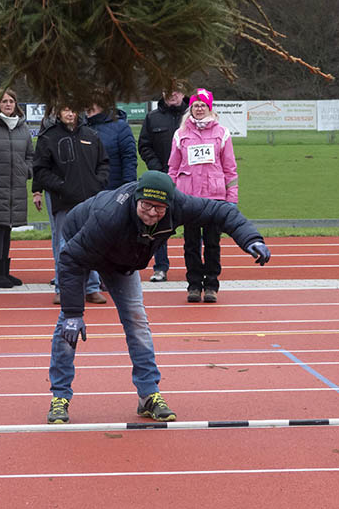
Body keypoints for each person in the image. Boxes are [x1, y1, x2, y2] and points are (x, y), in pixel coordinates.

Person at [46, 170, 270, 424]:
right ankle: (59, 397)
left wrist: (250, 238)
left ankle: (148, 395)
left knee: (137, 320)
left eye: (160, 208)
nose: (153, 213)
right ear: (136, 200)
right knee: (68, 324)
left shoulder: (180, 205)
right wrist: (75, 313)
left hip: (122, 261)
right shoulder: (108, 216)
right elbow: (71, 259)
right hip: (81, 245)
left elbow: (221, 211)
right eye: (147, 206)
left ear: (171, 204)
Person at [32, 104, 109, 306]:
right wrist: (62, 187)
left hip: (90, 200)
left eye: (73, 109)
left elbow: (104, 163)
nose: (70, 113)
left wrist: (97, 183)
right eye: (65, 109)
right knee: (64, 245)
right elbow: (40, 170)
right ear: (58, 112)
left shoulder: (91, 135)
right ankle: (63, 287)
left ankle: (91, 287)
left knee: (91, 243)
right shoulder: (49, 137)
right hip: (63, 200)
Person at [167, 87, 239, 303]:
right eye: (195, 106)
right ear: (191, 108)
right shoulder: (180, 134)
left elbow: (230, 169)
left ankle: (211, 285)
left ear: (209, 108)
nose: (199, 109)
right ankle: (193, 284)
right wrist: (171, 196)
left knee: (212, 242)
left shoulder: (222, 133)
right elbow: (172, 168)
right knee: (190, 243)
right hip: (188, 197)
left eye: (203, 106)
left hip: (214, 197)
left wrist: (231, 199)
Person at [0, 87, 33, 288]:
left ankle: (4, 272)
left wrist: (26, 171)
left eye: (11, 101)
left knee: (8, 228)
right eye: (4, 101)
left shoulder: (23, 128)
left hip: (16, 186)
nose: (8, 104)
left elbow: (30, 155)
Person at [138, 86, 189, 281]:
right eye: (168, 90)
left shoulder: (193, 116)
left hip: (189, 178)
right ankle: (160, 267)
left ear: (183, 93)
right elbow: (144, 145)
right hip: (162, 177)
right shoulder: (152, 118)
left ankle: (195, 267)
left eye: (176, 90)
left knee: (193, 223)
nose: (172, 94)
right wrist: (158, 169)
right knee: (157, 222)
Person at [85, 97, 137, 190]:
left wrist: (128, 189)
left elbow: (129, 159)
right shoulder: (81, 127)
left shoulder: (120, 127)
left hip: (112, 190)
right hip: (87, 192)